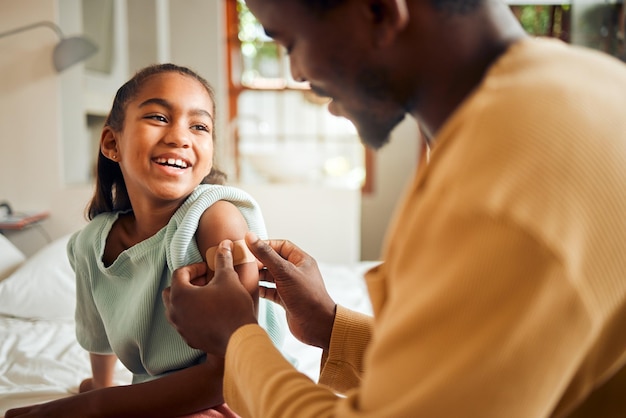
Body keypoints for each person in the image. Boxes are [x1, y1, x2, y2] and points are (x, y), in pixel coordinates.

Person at [163, 0, 626, 417]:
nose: (299, 72)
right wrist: (330, 326)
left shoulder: (508, 181)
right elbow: (480, 367)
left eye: (292, 42)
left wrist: (236, 338)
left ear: (381, 11)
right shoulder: (582, 86)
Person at [6, 63, 285, 418]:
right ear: (112, 143)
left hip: (244, 388)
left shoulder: (217, 218)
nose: (180, 137)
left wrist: (79, 407)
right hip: (165, 390)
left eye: (199, 126)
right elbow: (98, 334)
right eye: (158, 117)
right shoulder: (90, 244)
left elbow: (230, 371)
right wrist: (102, 388)